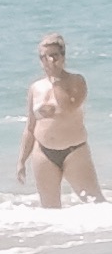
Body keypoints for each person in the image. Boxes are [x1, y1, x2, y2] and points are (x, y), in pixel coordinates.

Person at [18, 33, 102, 205]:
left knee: (96, 203)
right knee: (50, 211)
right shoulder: (36, 88)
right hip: (43, 152)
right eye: (44, 57)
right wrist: (21, 160)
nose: (49, 60)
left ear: (63, 57)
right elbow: (30, 126)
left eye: (54, 55)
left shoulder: (76, 81)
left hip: (74, 151)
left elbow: (70, 107)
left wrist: (56, 81)